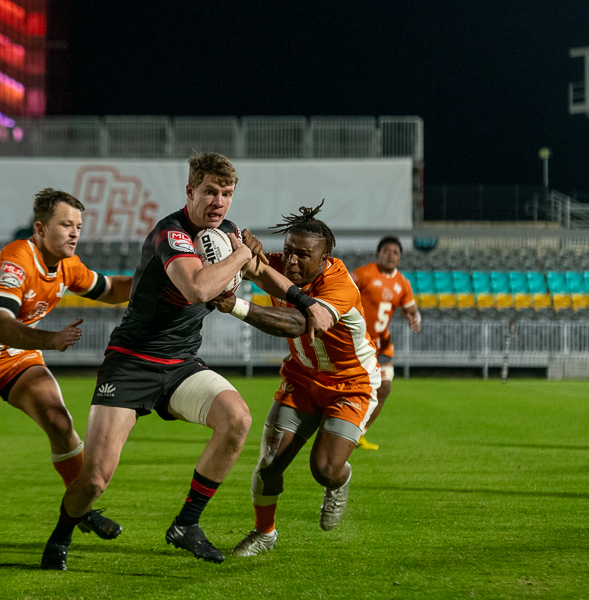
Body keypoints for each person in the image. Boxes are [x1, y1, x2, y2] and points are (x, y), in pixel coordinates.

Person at [40, 153, 333, 570]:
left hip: (180, 365)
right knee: (95, 478)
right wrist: (238, 256)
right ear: (190, 191)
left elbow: (265, 273)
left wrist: (306, 302)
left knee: (237, 420)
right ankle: (61, 536)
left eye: (227, 193)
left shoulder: (228, 234)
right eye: (210, 192)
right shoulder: (170, 233)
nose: (219, 201)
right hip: (131, 364)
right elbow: (197, 288)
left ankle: (186, 524)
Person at [0, 188, 133, 549]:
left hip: (15, 355)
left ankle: (82, 509)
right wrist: (52, 340)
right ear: (40, 229)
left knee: (59, 420)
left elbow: (111, 289)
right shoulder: (17, 260)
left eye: (78, 225)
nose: (75, 232)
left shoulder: (67, 266)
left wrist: (165, 276)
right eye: (66, 224)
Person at [210, 202, 381, 556]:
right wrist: (240, 246)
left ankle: (340, 478)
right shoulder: (279, 265)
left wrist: (237, 307)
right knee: (269, 464)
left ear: (324, 258)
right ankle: (265, 532)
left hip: (351, 385)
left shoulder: (338, 284)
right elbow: (248, 263)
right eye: (287, 251)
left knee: (323, 469)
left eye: (303, 255)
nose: (290, 261)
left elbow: (300, 323)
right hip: (301, 379)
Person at [349, 236, 421, 449]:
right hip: (355, 342)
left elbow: (413, 311)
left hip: (381, 345)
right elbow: (342, 293)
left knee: (384, 387)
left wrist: (414, 319)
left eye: (396, 252)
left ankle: (360, 434)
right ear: (378, 254)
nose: (391, 256)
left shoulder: (403, 284)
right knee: (348, 387)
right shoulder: (364, 274)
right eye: (387, 251)